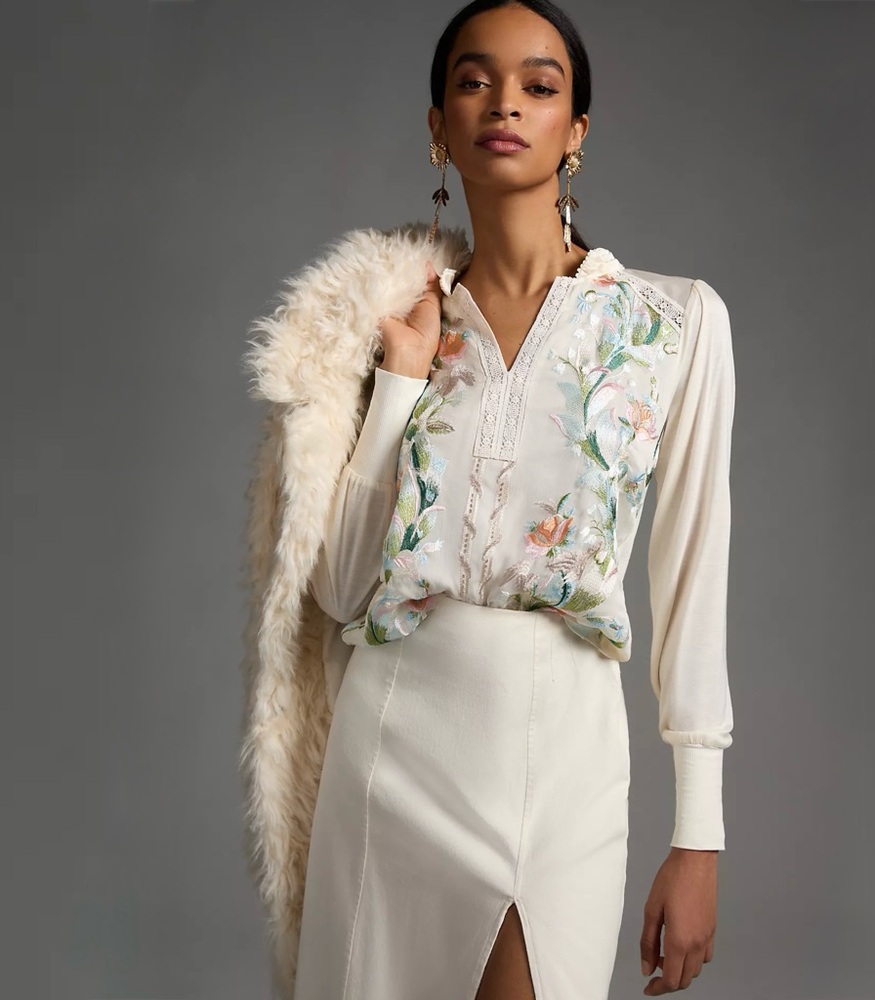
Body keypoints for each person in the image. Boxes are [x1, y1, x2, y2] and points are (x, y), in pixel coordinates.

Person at [239, 2, 737, 998]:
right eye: (474, 81)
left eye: (538, 86)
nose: (505, 103)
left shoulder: (672, 323)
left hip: (569, 763)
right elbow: (339, 589)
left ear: (575, 130)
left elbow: (694, 582)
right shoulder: (385, 315)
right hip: (395, 750)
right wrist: (400, 380)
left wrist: (699, 833)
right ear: (439, 125)